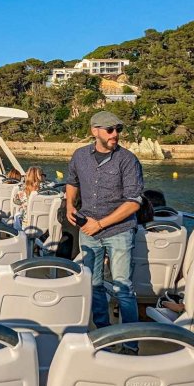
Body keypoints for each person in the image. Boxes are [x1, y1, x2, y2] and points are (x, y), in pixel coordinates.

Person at [66, 110, 144, 347]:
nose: (115, 135)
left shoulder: (128, 160)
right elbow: (72, 181)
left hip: (119, 231)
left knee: (123, 288)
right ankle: (103, 334)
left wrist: (99, 224)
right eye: (110, 130)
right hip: (88, 230)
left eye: (118, 130)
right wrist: (69, 204)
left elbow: (134, 201)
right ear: (95, 131)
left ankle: (131, 343)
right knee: (94, 284)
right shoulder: (80, 156)